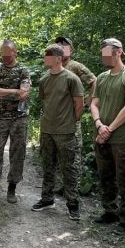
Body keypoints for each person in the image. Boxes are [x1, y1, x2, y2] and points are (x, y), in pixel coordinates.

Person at [89, 38, 125, 232]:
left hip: (122, 139)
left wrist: (108, 129)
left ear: (119, 52)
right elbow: (94, 103)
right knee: (105, 176)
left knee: (124, 179)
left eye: (107, 52)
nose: (104, 56)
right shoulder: (102, 77)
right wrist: (98, 124)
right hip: (102, 136)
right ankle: (110, 211)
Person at [31, 44, 84, 221]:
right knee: (48, 166)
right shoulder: (44, 80)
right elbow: (45, 103)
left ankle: (73, 204)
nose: (45, 58)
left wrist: (71, 122)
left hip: (66, 132)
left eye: (48, 56)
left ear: (58, 58)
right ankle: (47, 199)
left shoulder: (71, 79)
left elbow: (79, 104)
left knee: (69, 169)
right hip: (47, 130)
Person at [0, 40, 31, 203]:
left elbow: (24, 94)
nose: (4, 56)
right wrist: (14, 91)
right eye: (2, 54)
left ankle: (12, 187)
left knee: (17, 152)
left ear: (15, 53)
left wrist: (2, 91)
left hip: (19, 117)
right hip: (1, 115)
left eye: (7, 54)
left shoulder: (23, 70)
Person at [53, 37, 96, 197]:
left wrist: (87, 103)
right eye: (59, 46)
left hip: (72, 117)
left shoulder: (76, 66)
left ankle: (73, 188)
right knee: (59, 153)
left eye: (65, 46)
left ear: (70, 50)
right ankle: (63, 185)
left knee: (74, 152)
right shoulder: (54, 66)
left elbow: (94, 82)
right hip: (56, 118)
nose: (61, 48)